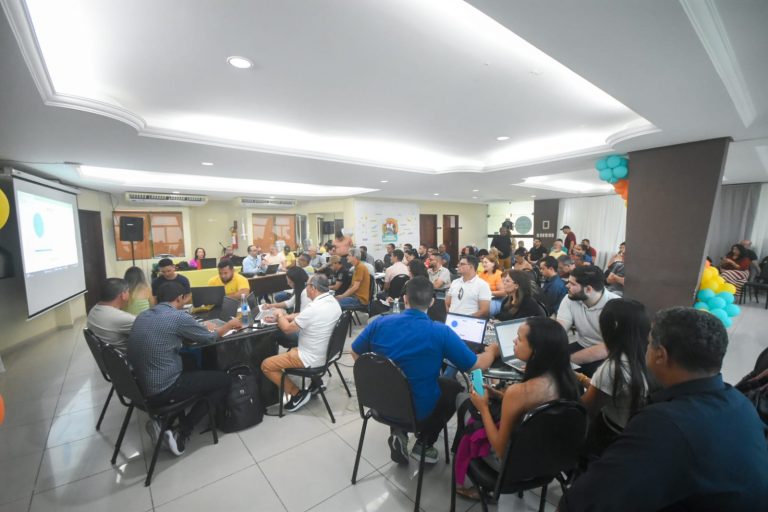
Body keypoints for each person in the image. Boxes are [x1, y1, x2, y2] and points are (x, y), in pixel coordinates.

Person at [561, 308, 768, 511]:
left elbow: (587, 500)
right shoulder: (740, 403)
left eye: (649, 343)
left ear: (660, 355)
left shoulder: (664, 424)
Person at [351, 276, 500, 465]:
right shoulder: (440, 332)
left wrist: (378, 375)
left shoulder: (379, 323)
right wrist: (492, 351)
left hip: (378, 403)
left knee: (399, 379)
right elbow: (476, 366)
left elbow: (355, 352)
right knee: (453, 388)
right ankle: (424, 444)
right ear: (431, 302)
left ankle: (399, 433)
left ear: (405, 299)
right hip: (416, 412)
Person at [456, 317, 580, 496]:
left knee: (464, 403)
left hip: (514, 468)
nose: (514, 341)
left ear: (536, 351)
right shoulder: (569, 382)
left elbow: (500, 450)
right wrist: (501, 396)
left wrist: (483, 408)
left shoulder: (520, 392)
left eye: (519, 339)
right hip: (550, 463)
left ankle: (468, 475)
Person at [128, 281, 241, 455]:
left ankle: (163, 420)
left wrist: (195, 330)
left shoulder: (143, 315)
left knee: (191, 360)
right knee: (224, 380)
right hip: (164, 388)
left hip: (140, 386)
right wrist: (229, 325)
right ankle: (183, 430)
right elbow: (210, 338)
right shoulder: (178, 317)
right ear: (180, 298)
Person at [578, 299, 652, 457]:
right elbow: (612, 390)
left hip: (609, 435)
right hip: (633, 430)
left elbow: (587, 408)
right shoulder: (645, 356)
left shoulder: (614, 367)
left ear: (611, 329)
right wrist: (581, 379)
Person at [260, 274, 342, 411]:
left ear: (313, 288)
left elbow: (287, 329)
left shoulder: (314, 308)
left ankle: (297, 394)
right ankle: (315, 384)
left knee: (266, 365)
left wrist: (279, 315)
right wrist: (285, 317)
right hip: (326, 353)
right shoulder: (332, 302)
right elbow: (303, 315)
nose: (305, 288)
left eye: (307, 286)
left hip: (309, 357)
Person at [557, 266, 619, 377]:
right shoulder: (570, 298)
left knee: (596, 379)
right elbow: (559, 330)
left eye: (572, 284)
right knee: (548, 364)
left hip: (609, 354)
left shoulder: (616, 306)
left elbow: (608, 348)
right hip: (582, 344)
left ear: (588, 289)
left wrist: (567, 360)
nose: (567, 285)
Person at [87, 278, 135, 351]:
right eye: (128, 291)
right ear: (123, 295)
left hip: (106, 355)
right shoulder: (120, 318)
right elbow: (148, 328)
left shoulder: (93, 310)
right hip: (126, 355)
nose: (129, 294)